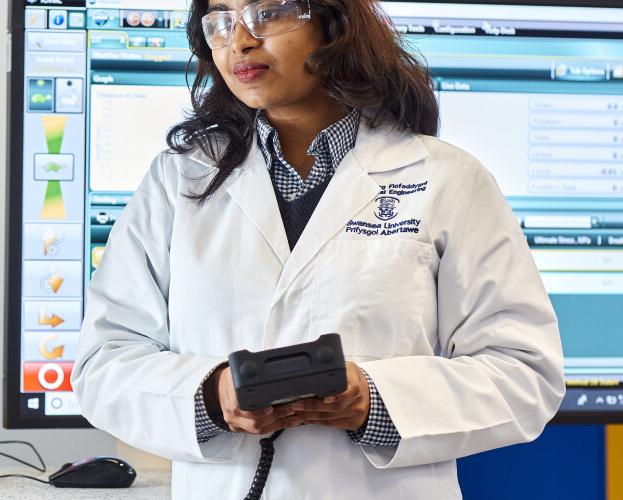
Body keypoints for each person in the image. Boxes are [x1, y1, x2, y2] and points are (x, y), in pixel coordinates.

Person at [70, 0, 565, 498]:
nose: (239, 39)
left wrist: (374, 401)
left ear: (334, 22)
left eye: (267, 12)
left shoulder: (447, 178)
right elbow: (103, 364)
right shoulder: (177, 179)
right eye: (220, 19)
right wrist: (212, 395)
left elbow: (524, 373)